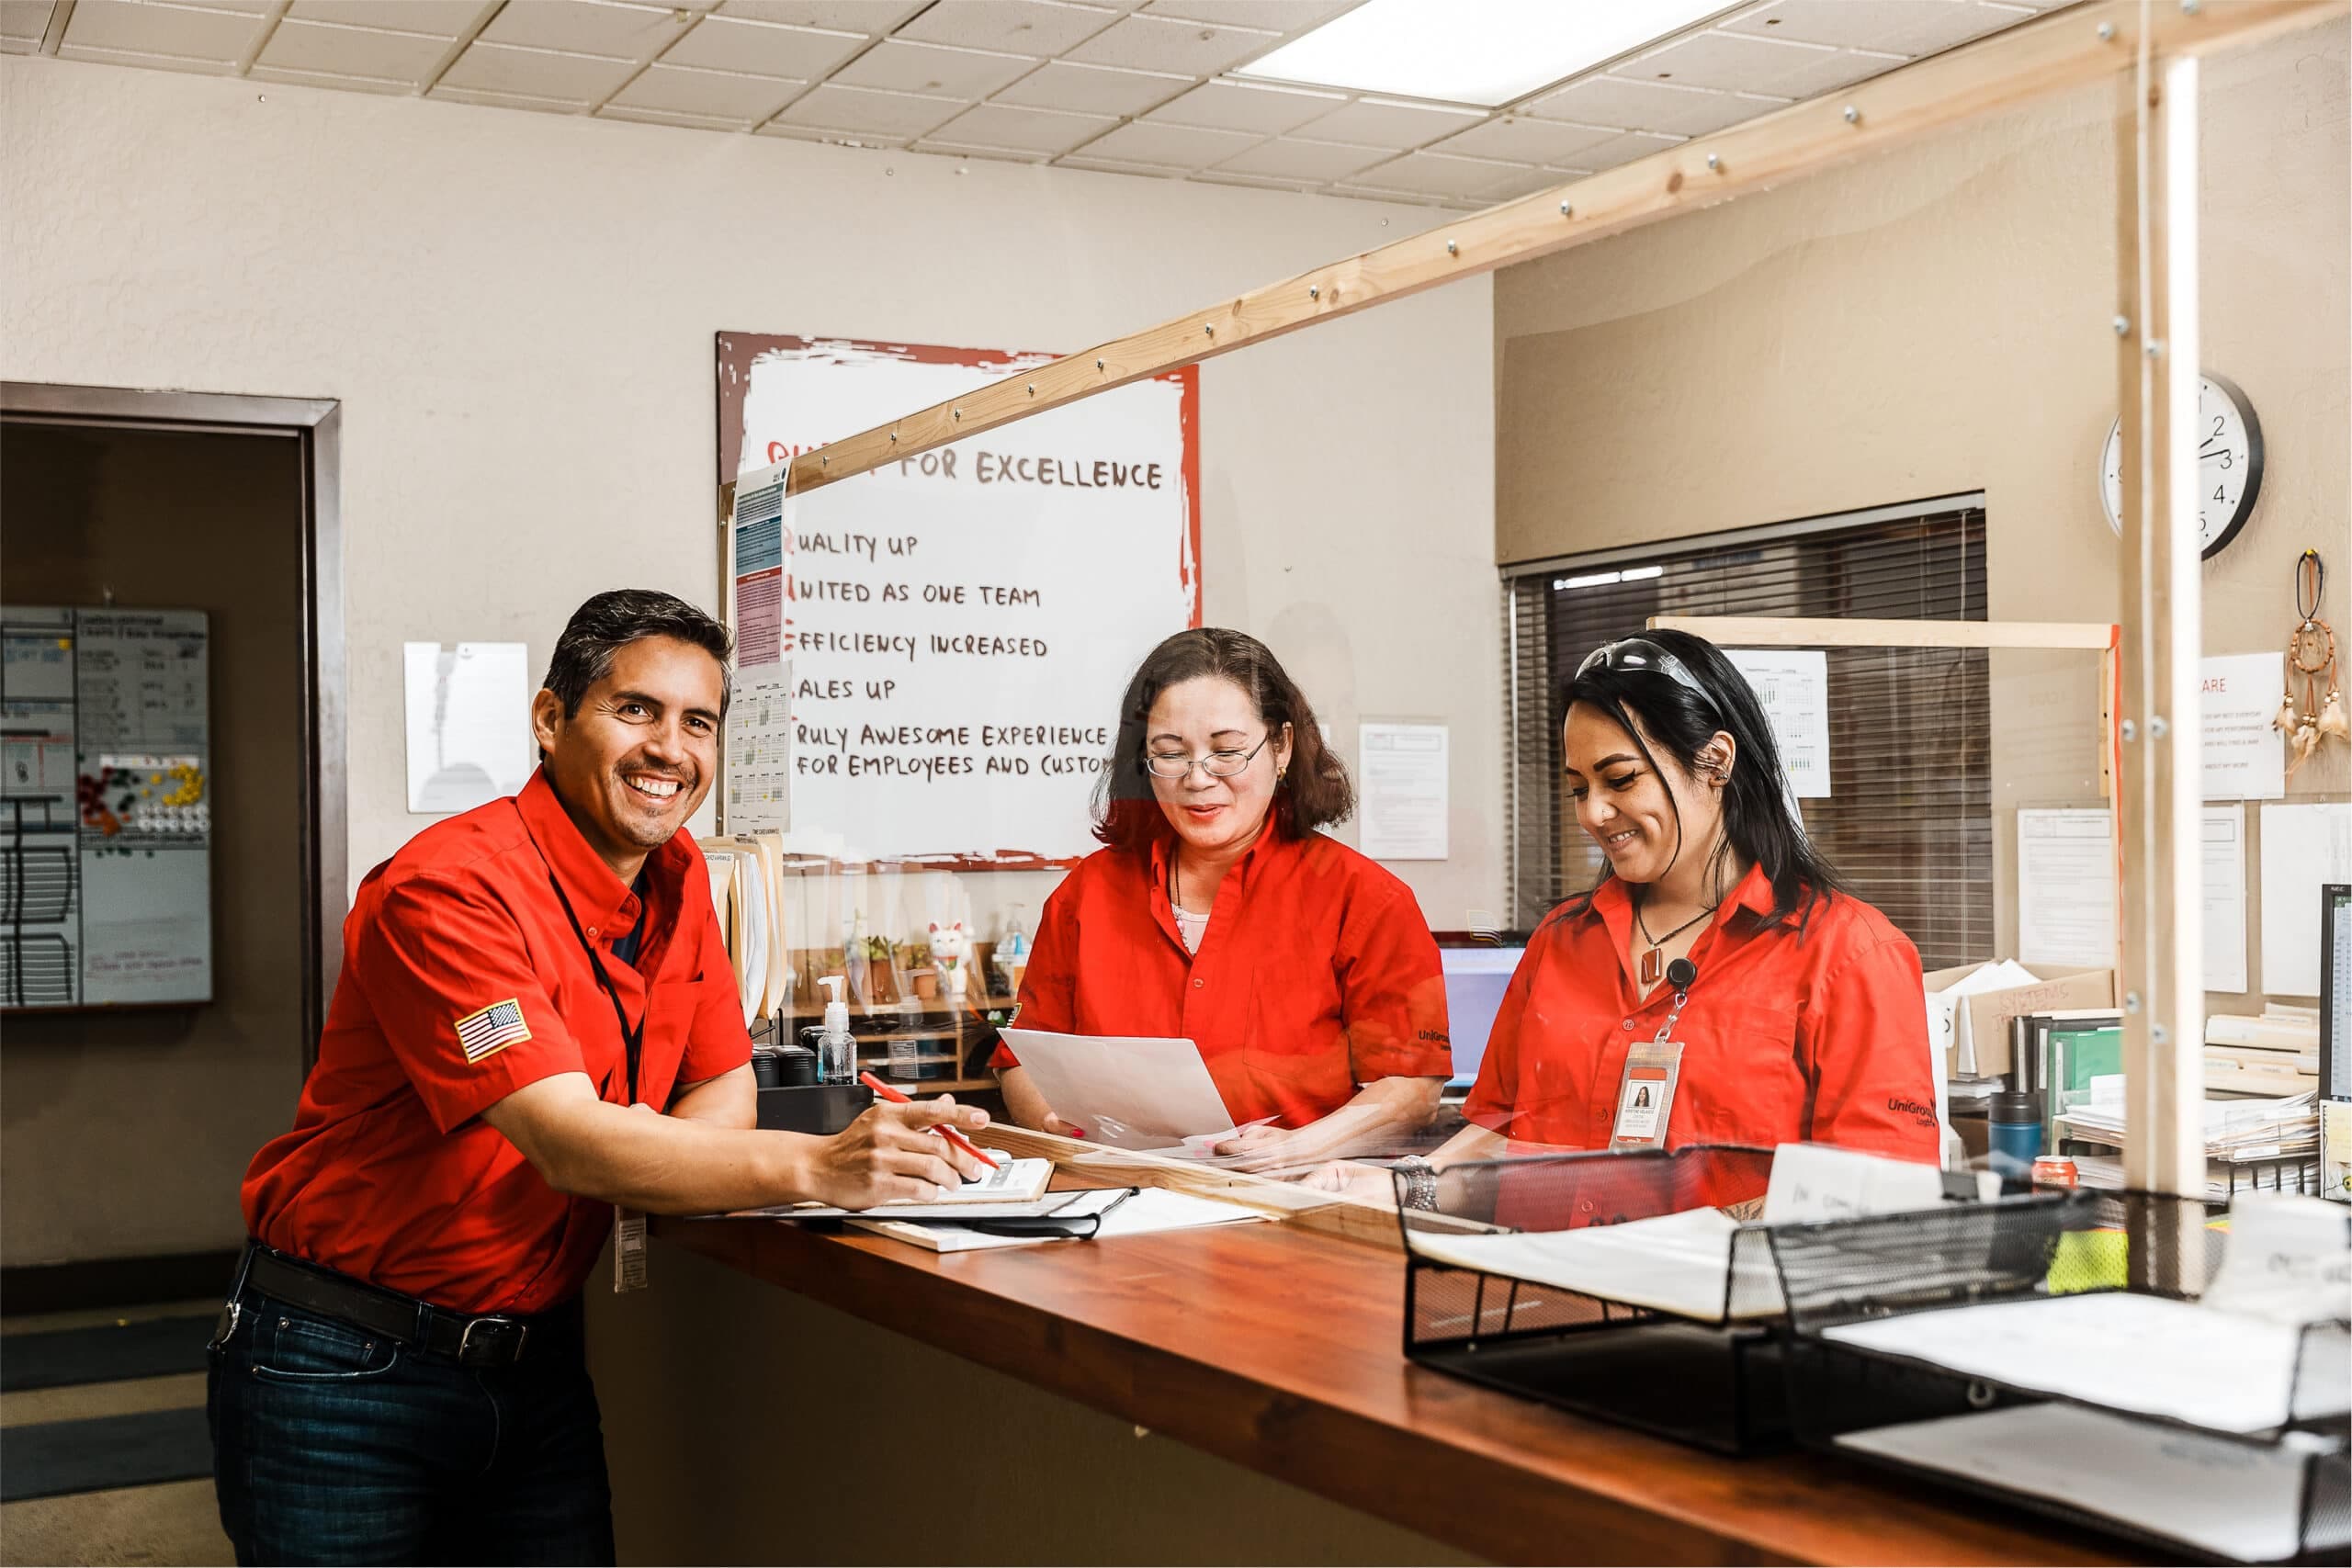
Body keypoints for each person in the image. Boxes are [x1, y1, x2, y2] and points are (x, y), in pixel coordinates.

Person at [211, 590, 989, 1565]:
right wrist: (818, 1167)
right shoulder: (449, 888)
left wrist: (646, 1159)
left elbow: (723, 1092)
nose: (670, 748)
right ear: (549, 720)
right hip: (344, 1366)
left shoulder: (678, 884)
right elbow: (569, 1141)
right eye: (636, 710)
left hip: (533, 1363)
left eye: (696, 722)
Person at [1310, 628, 1937, 1203]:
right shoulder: (1560, 942)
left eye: (1620, 779)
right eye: (1579, 787)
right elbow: (1502, 1136)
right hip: (1548, 1304)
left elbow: (1882, 1203)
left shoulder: (1848, 953)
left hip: (1723, 1314)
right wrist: (1399, 1189)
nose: (1594, 813)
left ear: (1715, 761)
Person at [993, 627, 1451, 1169]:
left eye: (1228, 752)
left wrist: (1297, 1148)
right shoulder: (1085, 896)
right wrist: (1054, 1122)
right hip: (1117, 1201)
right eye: (1170, 753)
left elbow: (1411, 1089)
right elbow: (1022, 1058)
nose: (1198, 778)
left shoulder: (1366, 899)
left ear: (1281, 747)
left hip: (1292, 1205)